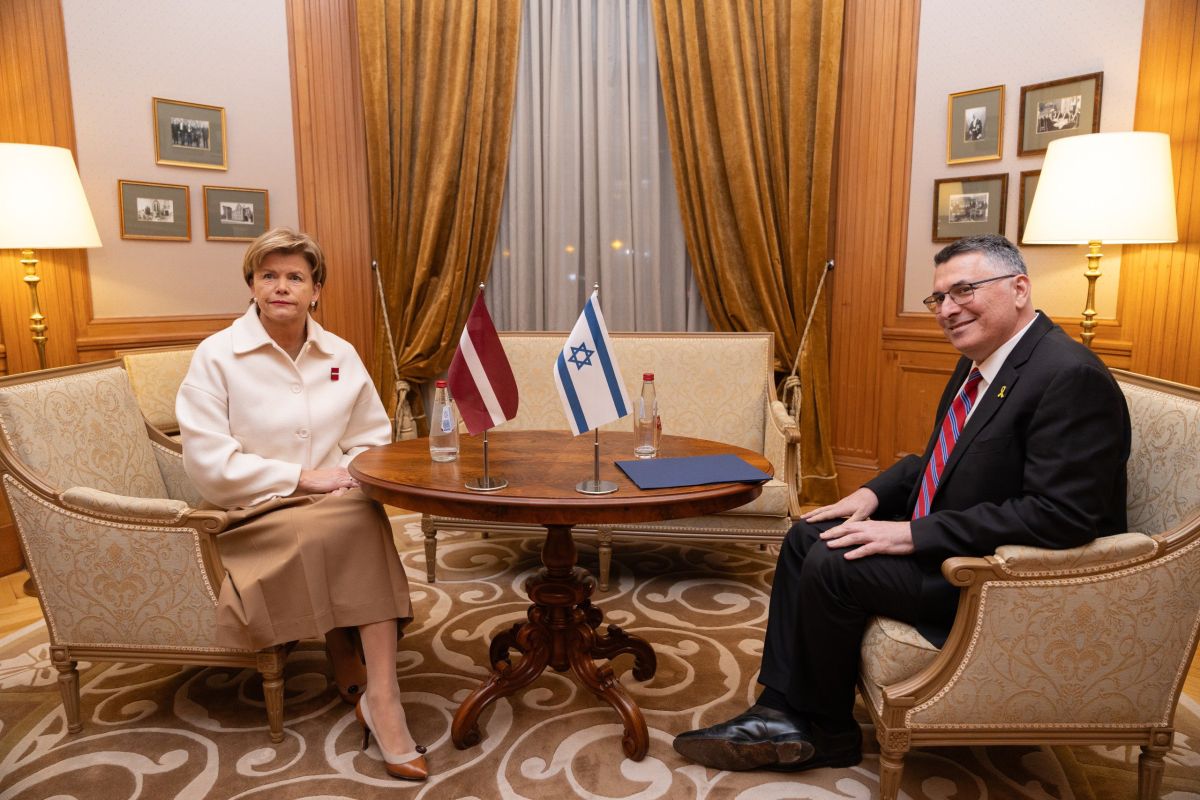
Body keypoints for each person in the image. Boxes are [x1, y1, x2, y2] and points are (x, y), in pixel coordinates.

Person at [673, 233, 1130, 772]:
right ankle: (780, 709)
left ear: (1019, 288)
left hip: (999, 579)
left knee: (835, 563)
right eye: (939, 298)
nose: (948, 309)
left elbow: (1062, 516)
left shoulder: (1068, 376)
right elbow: (937, 460)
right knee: (805, 536)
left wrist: (910, 534)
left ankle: (828, 731)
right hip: (960, 543)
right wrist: (870, 494)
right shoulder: (982, 363)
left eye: (964, 290)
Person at [176, 227, 427, 782]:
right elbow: (207, 463)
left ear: (317, 290)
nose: (281, 287)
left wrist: (351, 475)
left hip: (335, 501)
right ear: (252, 285)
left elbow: (372, 438)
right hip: (250, 513)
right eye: (269, 276)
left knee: (359, 511)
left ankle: (380, 693)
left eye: (296, 277)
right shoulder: (216, 356)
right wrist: (302, 479)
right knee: (361, 522)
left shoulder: (341, 354)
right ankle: (376, 691)